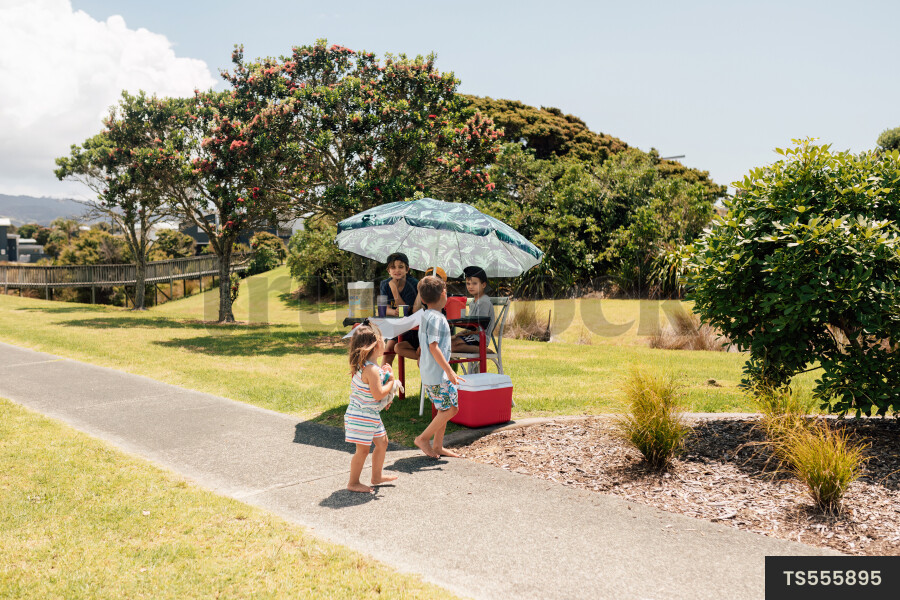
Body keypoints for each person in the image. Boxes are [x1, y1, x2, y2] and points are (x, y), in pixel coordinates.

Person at [344, 322, 400, 493]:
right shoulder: (371, 370)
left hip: (369, 413)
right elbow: (378, 394)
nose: (385, 342)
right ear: (376, 345)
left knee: (382, 443)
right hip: (363, 415)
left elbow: (375, 386)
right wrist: (391, 382)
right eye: (383, 340)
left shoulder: (368, 367)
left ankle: (376, 476)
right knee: (362, 450)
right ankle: (353, 482)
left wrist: (386, 373)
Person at [413, 275, 464, 458]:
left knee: (444, 409)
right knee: (452, 409)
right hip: (438, 374)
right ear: (444, 294)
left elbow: (424, 345)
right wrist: (449, 370)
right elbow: (433, 346)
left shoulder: (426, 316)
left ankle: (438, 446)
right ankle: (423, 438)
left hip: (430, 373)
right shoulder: (437, 318)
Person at [380, 252, 419, 367]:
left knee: (392, 346)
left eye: (401, 267)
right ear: (388, 270)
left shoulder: (413, 284)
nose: (397, 270)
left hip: (412, 326)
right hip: (397, 324)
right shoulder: (384, 284)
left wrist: (394, 289)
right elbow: (383, 309)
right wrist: (393, 312)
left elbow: (405, 311)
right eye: (393, 267)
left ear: (407, 269)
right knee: (388, 351)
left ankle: (427, 359)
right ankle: (383, 379)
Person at [451, 266, 495, 355]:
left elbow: (480, 327)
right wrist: (459, 334)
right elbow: (471, 325)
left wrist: (462, 335)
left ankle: (485, 351)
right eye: (468, 283)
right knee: (449, 343)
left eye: (474, 283)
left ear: (483, 285)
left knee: (451, 345)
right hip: (472, 336)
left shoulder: (483, 302)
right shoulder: (473, 302)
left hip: (480, 338)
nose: (470, 286)